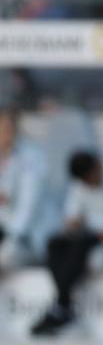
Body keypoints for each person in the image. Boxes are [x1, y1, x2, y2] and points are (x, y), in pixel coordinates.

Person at [31, 151, 103, 335]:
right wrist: (72, 223)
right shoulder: (80, 185)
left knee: (80, 246)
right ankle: (63, 301)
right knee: (55, 243)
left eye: (91, 178)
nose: (89, 184)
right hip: (89, 232)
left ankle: (61, 306)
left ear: (98, 167)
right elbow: (71, 215)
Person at [0, 106, 48, 273]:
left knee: (6, 255)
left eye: (9, 128)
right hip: (3, 230)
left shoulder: (31, 158)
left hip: (24, 238)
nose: (7, 133)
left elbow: (28, 207)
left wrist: (11, 235)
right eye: (3, 128)